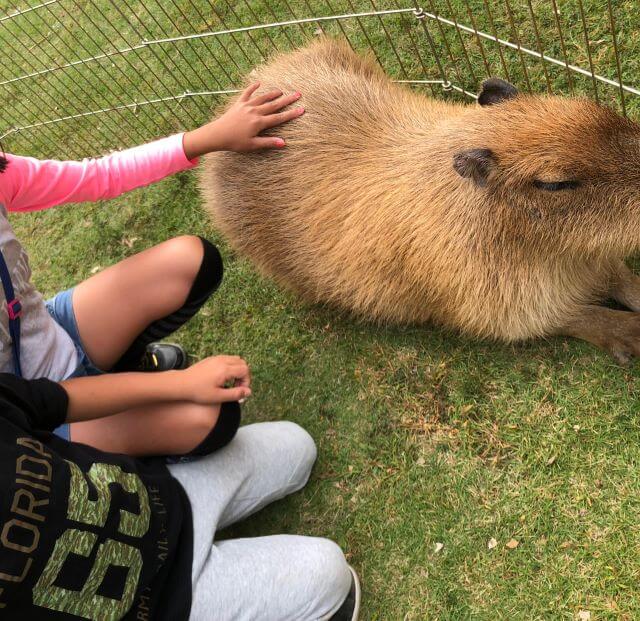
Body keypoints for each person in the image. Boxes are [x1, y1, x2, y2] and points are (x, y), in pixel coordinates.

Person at [0, 83, 303, 458]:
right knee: (216, 417)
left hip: (50, 336)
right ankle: (95, 456)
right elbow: (40, 399)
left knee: (191, 261)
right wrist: (182, 385)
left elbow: (98, 176)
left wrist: (210, 136)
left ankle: (128, 369)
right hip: (30, 416)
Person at [0, 358, 361, 619]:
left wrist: (183, 381)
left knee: (296, 448)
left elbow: (58, 401)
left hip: (161, 496)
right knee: (329, 573)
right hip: (162, 604)